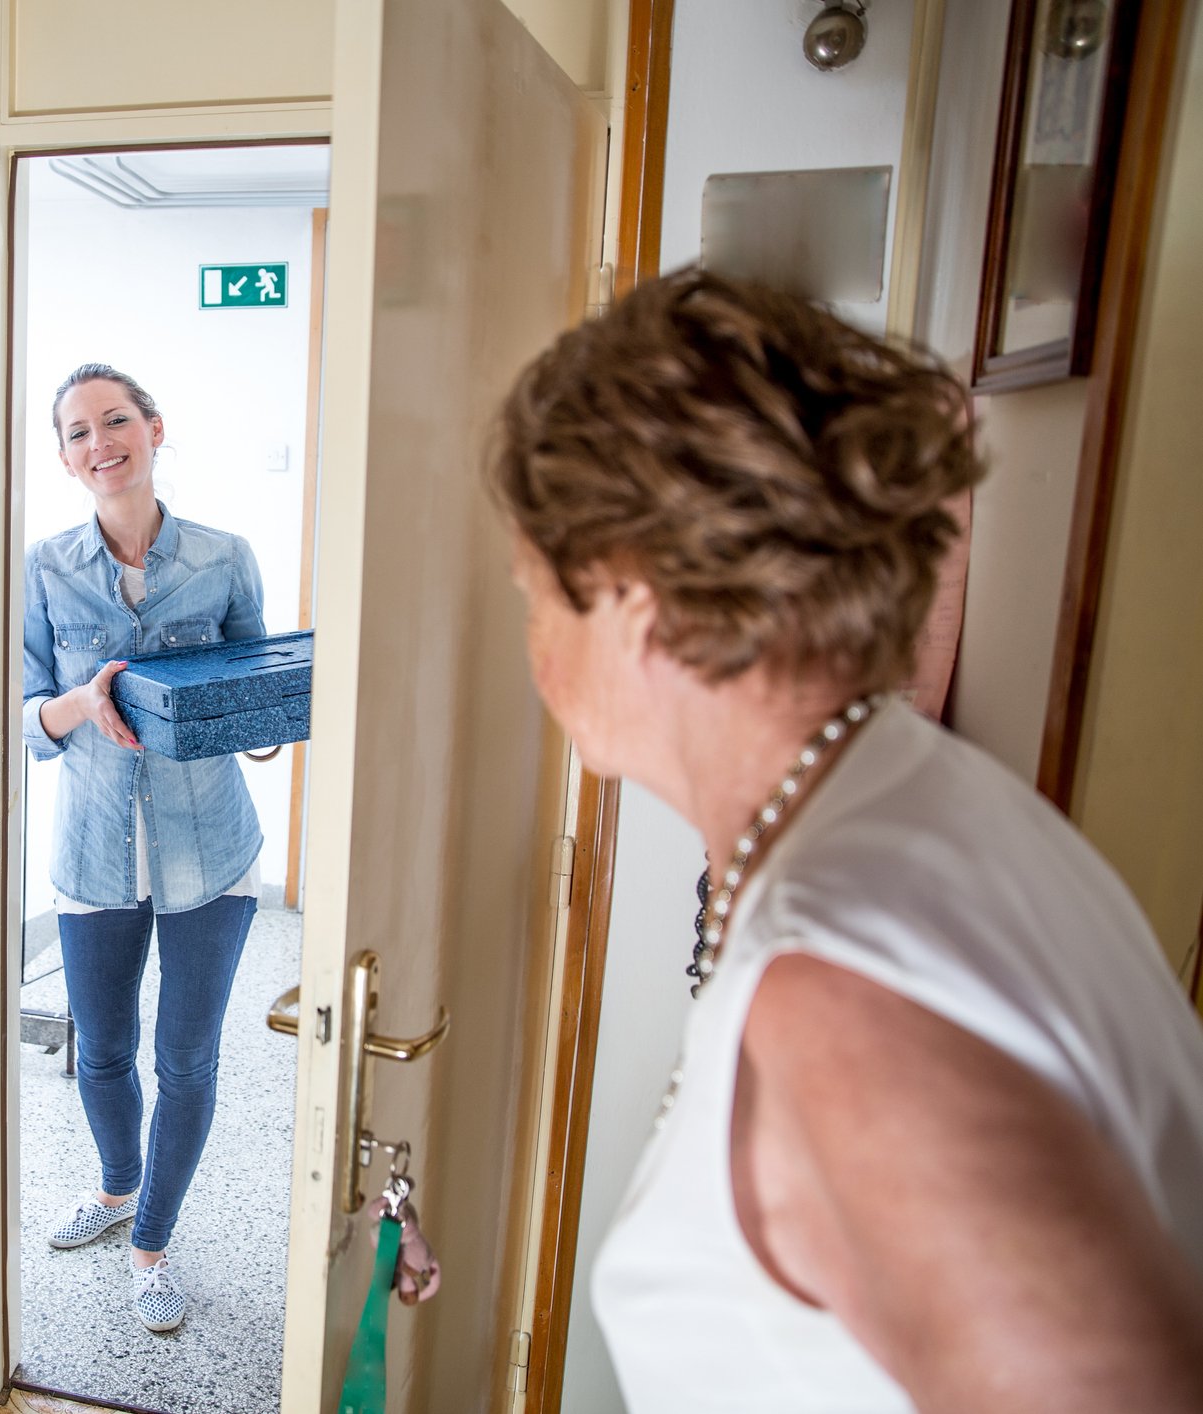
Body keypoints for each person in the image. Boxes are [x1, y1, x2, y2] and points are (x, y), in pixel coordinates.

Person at [492, 269, 1203, 1411]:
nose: (532, 649)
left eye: (534, 594)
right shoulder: (919, 791)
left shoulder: (835, 997)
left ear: (632, 602)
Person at [23, 363, 268, 1334]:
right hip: (94, 848)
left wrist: (257, 717)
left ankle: (152, 1247)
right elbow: (23, 716)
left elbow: (258, 691)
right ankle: (116, 1186)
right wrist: (81, 704)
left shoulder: (224, 557)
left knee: (187, 1059)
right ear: (64, 456)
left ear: (154, 429)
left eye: (116, 420)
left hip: (210, 848)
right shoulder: (44, 567)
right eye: (79, 431)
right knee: (102, 1052)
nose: (101, 442)